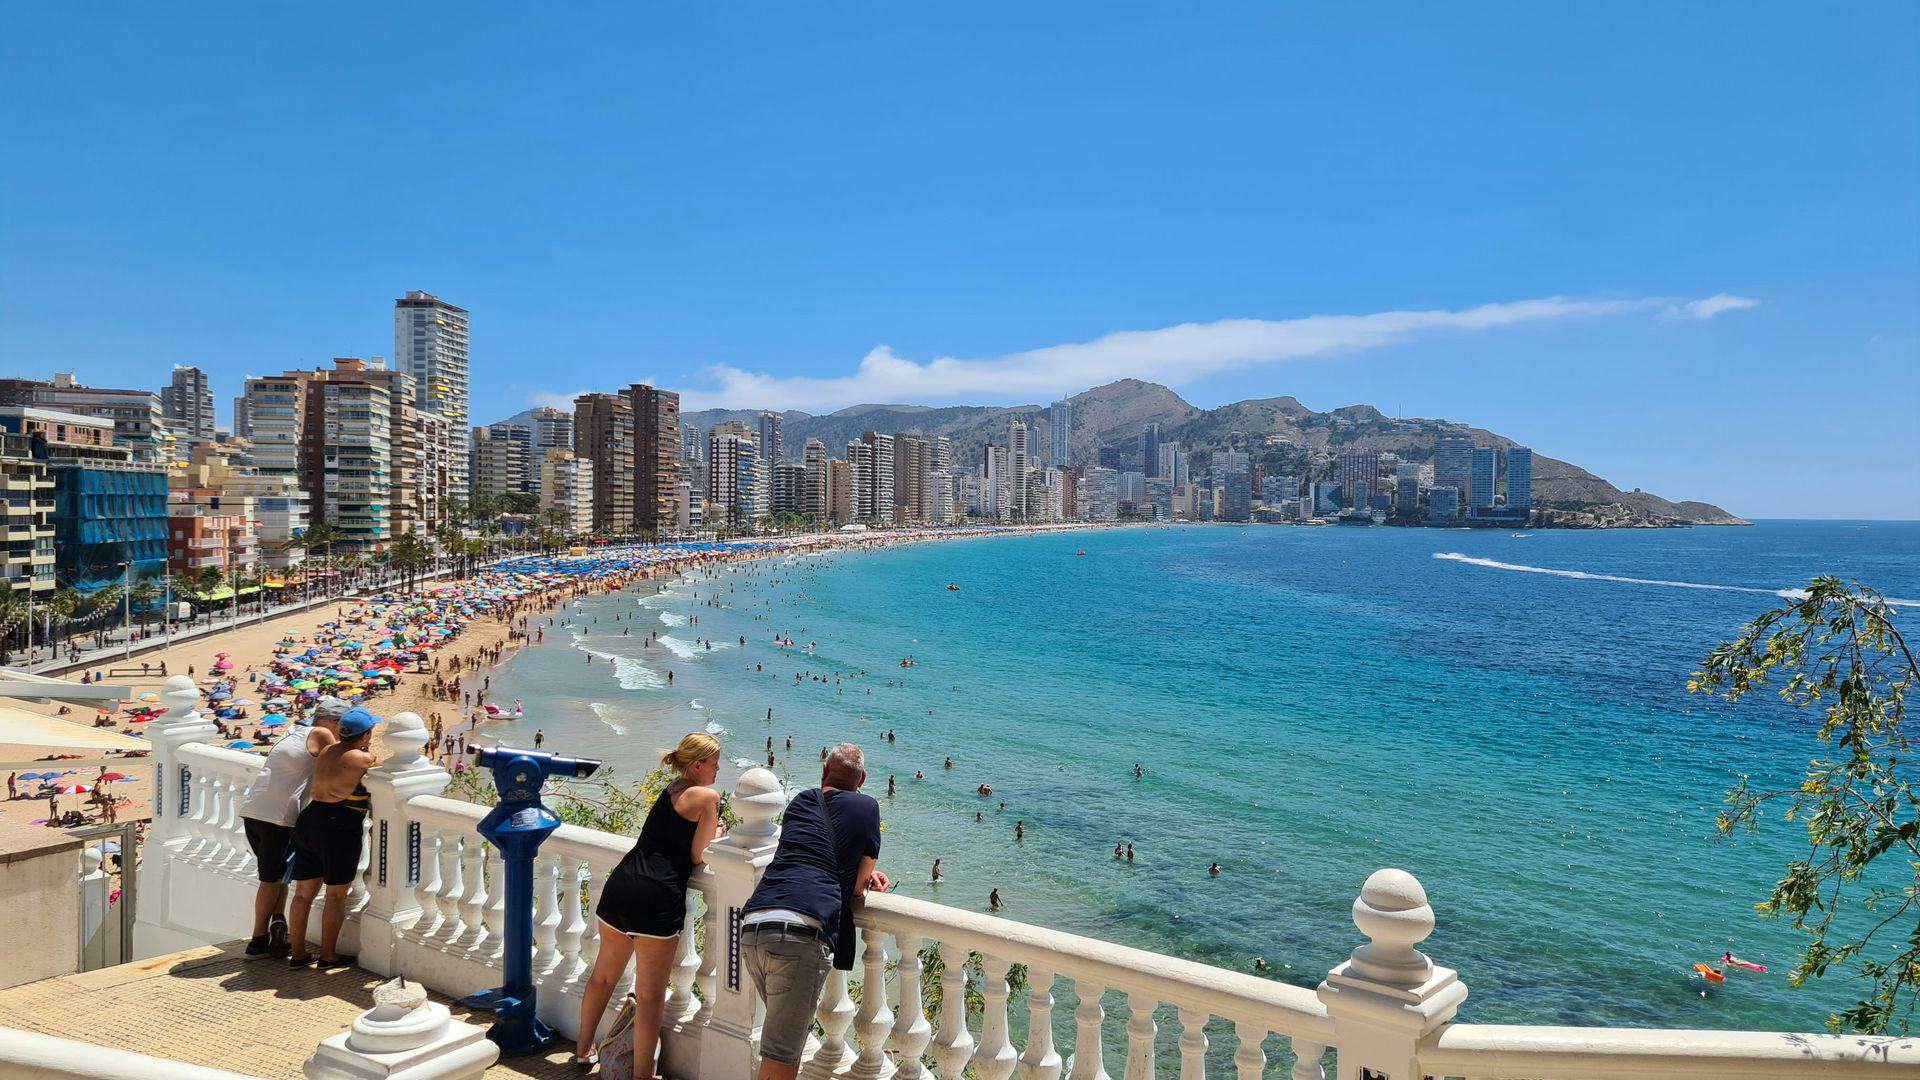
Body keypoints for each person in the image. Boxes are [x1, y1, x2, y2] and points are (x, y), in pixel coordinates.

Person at [739, 744, 887, 1080]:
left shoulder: (802, 801)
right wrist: (868, 877)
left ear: (824, 771)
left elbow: (808, 852)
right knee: (781, 1058)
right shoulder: (867, 807)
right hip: (799, 935)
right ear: (861, 778)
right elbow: (856, 886)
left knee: (780, 1049)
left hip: (755, 926)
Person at [576, 734, 724, 1069]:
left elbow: (673, 834)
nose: (718, 769)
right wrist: (714, 832)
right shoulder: (707, 796)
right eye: (714, 762)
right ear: (698, 764)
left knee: (603, 977)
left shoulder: (672, 789)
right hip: (657, 896)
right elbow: (697, 856)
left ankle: (584, 1049)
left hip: (623, 885)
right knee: (650, 995)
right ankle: (642, 1075)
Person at [237, 696, 346, 958]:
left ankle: (277, 921)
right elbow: (339, 761)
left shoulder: (294, 731)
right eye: (343, 725)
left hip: (254, 811)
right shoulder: (321, 733)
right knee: (269, 880)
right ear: (334, 722)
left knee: (278, 875)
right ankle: (258, 939)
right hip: (277, 816)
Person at [287, 706, 380, 968]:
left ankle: (298, 954)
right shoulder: (363, 758)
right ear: (364, 736)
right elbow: (385, 768)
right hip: (339, 824)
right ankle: (328, 955)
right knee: (335, 895)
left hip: (310, 818)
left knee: (303, 894)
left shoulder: (327, 751)